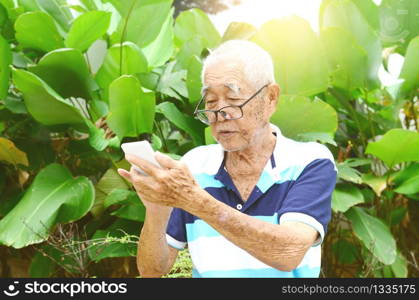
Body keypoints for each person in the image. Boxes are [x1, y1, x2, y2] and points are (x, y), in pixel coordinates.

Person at [117, 40, 337, 278]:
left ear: (270, 98)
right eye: (211, 102)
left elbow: (288, 252)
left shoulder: (309, 160)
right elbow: (152, 270)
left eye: (233, 99)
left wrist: (193, 199)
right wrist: (157, 210)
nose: (220, 114)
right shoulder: (194, 166)